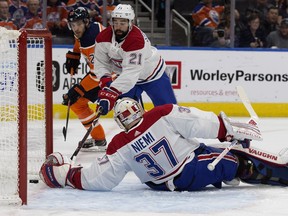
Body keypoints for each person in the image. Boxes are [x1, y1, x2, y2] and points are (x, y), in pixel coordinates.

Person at [39, 98, 288, 191]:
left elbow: (100, 178)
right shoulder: (159, 114)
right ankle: (282, 173)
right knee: (237, 157)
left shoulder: (119, 143)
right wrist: (227, 132)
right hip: (187, 172)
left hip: (158, 184)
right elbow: (198, 122)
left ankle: (222, 173)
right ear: (139, 109)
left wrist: (67, 174)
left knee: (208, 153)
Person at [93, 4, 177, 115]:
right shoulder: (102, 38)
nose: (118, 27)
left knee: (170, 113)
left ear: (130, 23)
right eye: (115, 22)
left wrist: (111, 91)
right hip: (126, 79)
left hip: (153, 75)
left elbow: (131, 73)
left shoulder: (136, 40)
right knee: (126, 115)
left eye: (122, 23)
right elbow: (101, 63)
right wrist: (105, 83)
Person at [62, 7, 106, 151]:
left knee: (122, 108)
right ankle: (99, 138)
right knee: (77, 103)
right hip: (103, 75)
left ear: (86, 22)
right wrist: (75, 55)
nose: (76, 28)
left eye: (79, 24)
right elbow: (77, 42)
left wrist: (78, 89)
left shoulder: (92, 39)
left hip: (115, 77)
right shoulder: (86, 31)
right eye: (72, 25)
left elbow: (96, 75)